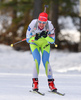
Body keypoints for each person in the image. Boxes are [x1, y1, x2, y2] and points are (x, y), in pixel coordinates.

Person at [26, 12, 57, 91]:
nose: (41, 25)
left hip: (45, 45)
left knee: (45, 61)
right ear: (38, 20)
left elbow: (52, 41)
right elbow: (27, 39)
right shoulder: (33, 23)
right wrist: (34, 38)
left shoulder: (50, 25)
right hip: (34, 44)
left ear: (46, 22)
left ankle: (51, 84)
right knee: (37, 60)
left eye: (43, 23)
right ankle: (35, 83)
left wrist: (46, 36)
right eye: (40, 22)